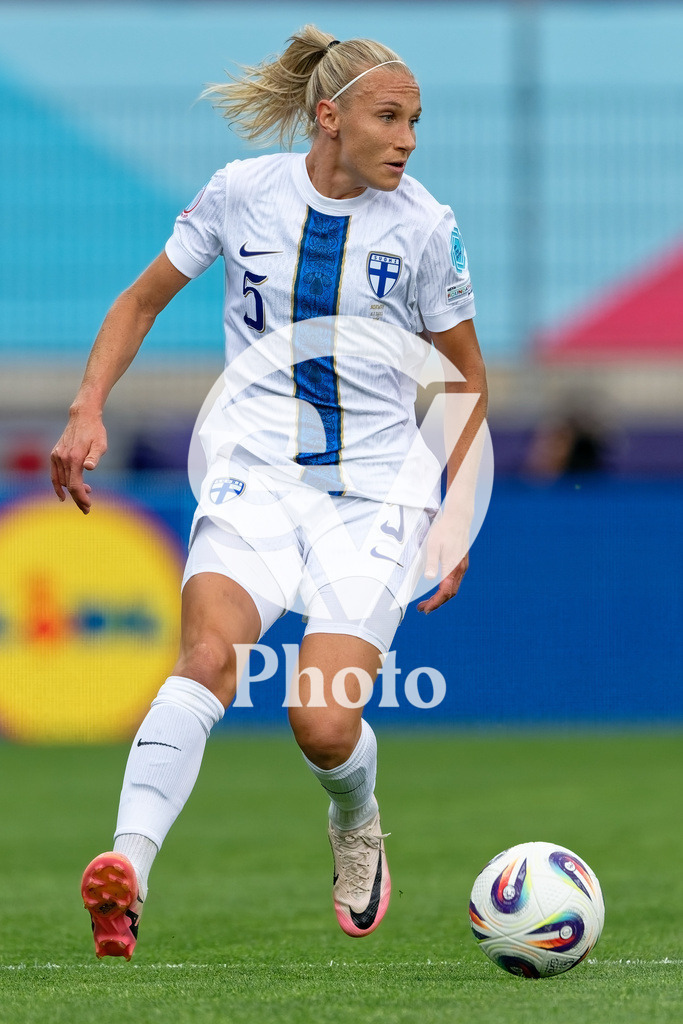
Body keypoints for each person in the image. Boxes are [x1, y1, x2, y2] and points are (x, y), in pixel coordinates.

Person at [51, 25, 488, 960]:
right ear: (327, 118)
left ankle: (356, 816)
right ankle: (125, 872)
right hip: (254, 477)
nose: (407, 137)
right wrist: (89, 406)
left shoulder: (423, 228)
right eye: (388, 116)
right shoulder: (241, 193)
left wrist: (454, 513)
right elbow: (139, 301)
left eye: (415, 120)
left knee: (321, 719)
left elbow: (464, 377)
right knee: (207, 654)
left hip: (374, 495)